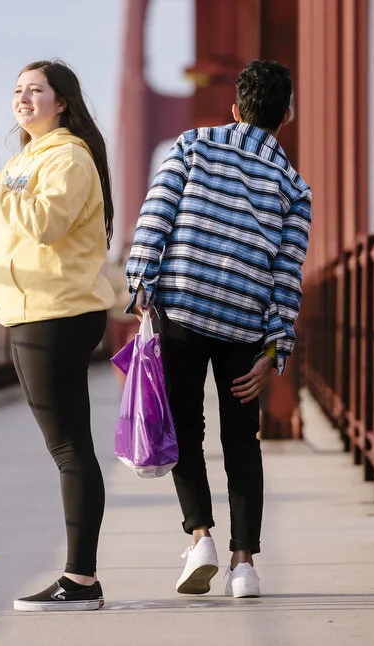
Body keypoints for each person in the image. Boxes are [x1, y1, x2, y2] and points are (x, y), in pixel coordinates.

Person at [0, 59, 116, 612]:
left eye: (36, 90)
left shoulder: (69, 158)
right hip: (30, 313)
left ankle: (81, 581)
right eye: (17, 90)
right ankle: (81, 577)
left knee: (69, 447)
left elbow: (44, 224)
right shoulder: (22, 162)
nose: (23, 98)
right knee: (67, 445)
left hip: (56, 312)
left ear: (62, 102)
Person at [125, 58, 312, 599]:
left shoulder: (192, 146)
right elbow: (286, 275)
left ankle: (201, 537)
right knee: (241, 442)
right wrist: (274, 350)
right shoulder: (295, 189)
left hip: (181, 311)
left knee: (185, 430)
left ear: (234, 109)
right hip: (244, 325)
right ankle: (244, 565)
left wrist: (142, 290)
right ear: (287, 117)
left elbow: (155, 216)